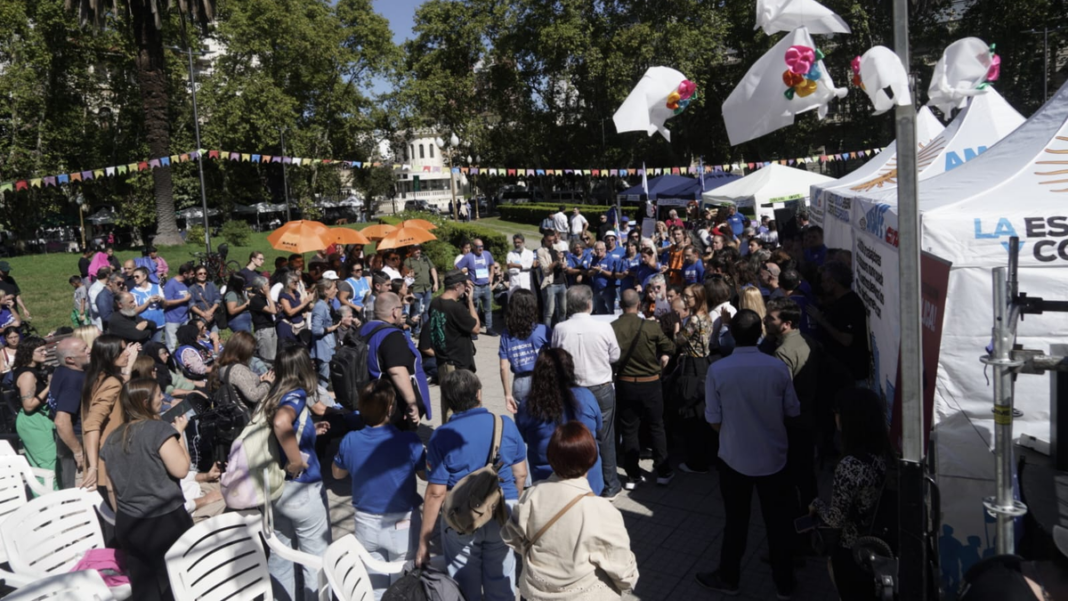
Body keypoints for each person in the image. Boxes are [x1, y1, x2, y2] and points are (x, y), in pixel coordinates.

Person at [699, 310, 800, 598]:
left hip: (734, 458)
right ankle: (785, 583)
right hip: (774, 457)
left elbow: (713, 418)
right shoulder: (777, 368)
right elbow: (792, 410)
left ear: (732, 335)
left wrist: (734, 435)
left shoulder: (718, 370)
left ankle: (729, 578)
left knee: (736, 522)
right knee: (777, 523)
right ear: (760, 334)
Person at [415, 369, 528, 601]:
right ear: (479, 394)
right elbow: (521, 474)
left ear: (447, 401)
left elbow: (436, 493)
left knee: (465, 584)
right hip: (502, 512)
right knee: (502, 579)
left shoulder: (442, 436)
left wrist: (424, 541)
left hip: (462, 517)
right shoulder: (505, 424)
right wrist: (506, 503)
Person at [502, 422, 637, 600]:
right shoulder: (602, 510)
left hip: (534, 594)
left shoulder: (533, 494)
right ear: (591, 458)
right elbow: (621, 568)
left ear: (551, 457)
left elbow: (510, 536)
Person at [99, 379, 193, 601]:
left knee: (144, 586)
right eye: (159, 395)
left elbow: (111, 489)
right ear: (145, 402)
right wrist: (180, 434)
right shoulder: (159, 429)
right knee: (177, 584)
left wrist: (123, 513)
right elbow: (181, 469)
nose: (163, 398)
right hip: (165, 522)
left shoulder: (112, 438)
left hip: (129, 523)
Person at [332, 380, 426, 599]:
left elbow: (337, 474)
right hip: (402, 523)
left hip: (366, 523)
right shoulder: (409, 441)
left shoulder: (350, 440)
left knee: (374, 586)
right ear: (390, 408)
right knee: (405, 584)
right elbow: (425, 475)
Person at [260, 344, 332, 601]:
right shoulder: (296, 394)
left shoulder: (272, 395)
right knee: (316, 560)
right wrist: (295, 462)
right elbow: (282, 422)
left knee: (281, 557)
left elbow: (284, 426)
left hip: (278, 491)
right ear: (302, 368)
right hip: (303, 489)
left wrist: (310, 428)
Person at [809, 388, 891, 600]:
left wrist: (816, 505)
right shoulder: (882, 451)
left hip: (852, 550)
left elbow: (836, 519)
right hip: (877, 542)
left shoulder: (850, 465)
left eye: (837, 412)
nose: (835, 417)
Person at [551, 285, 622, 499]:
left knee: (576, 437)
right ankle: (610, 484)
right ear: (589, 304)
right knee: (605, 437)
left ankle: (579, 483)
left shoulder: (560, 328)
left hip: (573, 389)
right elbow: (615, 355)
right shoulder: (603, 327)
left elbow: (556, 355)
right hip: (600, 387)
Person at [514, 348, 603, 493]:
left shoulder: (528, 405)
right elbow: (599, 427)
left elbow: (523, 437)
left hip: (546, 483)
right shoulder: (586, 397)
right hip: (588, 480)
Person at [612, 289, 675, 488]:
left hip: (625, 382)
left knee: (629, 428)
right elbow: (670, 347)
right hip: (651, 383)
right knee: (656, 426)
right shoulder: (650, 327)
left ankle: (632, 475)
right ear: (638, 304)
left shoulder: (612, 327)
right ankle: (663, 470)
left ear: (621, 306)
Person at [362, 292, 430, 428]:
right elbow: (397, 371)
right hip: (392, 402)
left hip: (372, 394)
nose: (403, 312)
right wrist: (412, 402)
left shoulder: (366, 328)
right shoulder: (392, 336)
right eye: (401, 308)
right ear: (394, 312)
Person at [81, 335, 138, 497]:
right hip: (108, 465)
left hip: (103, 463)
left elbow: (119, 384)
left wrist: (129, 366)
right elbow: (92, 423)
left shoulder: (94, 378)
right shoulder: (111, 383)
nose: (127, 353)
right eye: (122, 350)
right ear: (109, 354)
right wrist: (94, 467)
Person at [675, 284, 715, 474]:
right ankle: (706, 455)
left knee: (692, 410)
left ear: (697, 298)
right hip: (705, 364)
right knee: (703, 410)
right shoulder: (707, 317)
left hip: (692, 365)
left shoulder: (693, 319)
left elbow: (679, 340)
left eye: (688, 297)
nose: (685, 300)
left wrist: (677, 326)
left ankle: (696, 461)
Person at [809, 261, 870, 386]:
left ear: (833, 282)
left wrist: (821, 320)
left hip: (851, 375)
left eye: (825, 281)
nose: (822, 284)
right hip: (840, 373)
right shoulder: (838, 302)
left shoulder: (851, 304)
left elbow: (846, 339)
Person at [13, 337, 57, 487]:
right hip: (33, 421)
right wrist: (49, 387)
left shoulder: (34, 371)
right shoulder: (27, 375)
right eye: (41, 350)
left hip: (39, 418)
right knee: (47, 464)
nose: (45, 352)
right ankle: (52, 504)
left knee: (46, 465)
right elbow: (28, 405)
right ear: (29, 352)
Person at [498, 289, 550, 414]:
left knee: (523, 424)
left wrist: (507, 394)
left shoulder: (506, 334)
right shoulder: (543, 330)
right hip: (541, 379)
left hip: (519, 383)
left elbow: (503, 367)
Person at [52, 337, 91, 489]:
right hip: (76, 439)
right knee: (77, 489)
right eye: (84, 349)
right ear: (70, 359)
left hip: (67, 439)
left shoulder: (61, 370)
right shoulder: (73, 381)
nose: (89, 350)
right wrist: (78, 451)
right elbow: (61, 421)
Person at [427, 270, 480, 376]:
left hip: (442, 361)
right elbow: (476, 329)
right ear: (457, 286)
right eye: (465, 284)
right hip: (459, 365)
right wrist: (470, 301)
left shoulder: (435, 302)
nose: (466, 287)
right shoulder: (456, 308)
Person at [209, 331, 273, 410]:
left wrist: (259, 380)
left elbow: (240, 384)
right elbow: (254, 396)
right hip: (247, 413)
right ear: (244, 351)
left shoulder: (224, 365)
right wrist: (267, 383)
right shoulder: (238, 370)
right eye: (252, 350)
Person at [457, 238, 496, 336]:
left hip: (486, 286)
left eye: (482, 246)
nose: (481, 249)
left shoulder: (487, 254)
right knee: (474, 309)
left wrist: (491, 275)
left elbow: (492, 264)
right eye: (478, 247)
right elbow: (457, 268)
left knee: (488, 309)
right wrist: (465, 280)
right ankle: (474, 330)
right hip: (475, 287)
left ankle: (489, 328)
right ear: (474, 247)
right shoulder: (469, 257)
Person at [310, 279, 345, 386]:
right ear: (326, 291)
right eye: (334, 288)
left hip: (329, 347)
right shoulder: (320, 307)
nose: (337, 290)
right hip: (323, 350)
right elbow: (316, 329)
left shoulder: (327, 304)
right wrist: (332, 328)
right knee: (324, 380)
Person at [536, 233, 567, 327]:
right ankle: (547, 333)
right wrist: (557, 261)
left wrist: (563, 264)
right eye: (549, 241)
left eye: (553, 240)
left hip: (562, 283)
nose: (551, 242)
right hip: (550, 283)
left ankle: (561, 330)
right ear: (544, 239)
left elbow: (564, 265)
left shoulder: (557, 249)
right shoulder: (541, 251)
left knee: (563, 310)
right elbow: (545, 269)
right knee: (549, 311)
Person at [162, 262, 194, 351]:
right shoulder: (171, 284)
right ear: (185, 274)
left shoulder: (186, 283)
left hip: (184, 319)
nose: (193, 276)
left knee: (185, 343)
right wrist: (183, 300)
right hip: (172, 320)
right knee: (171, 345)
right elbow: (166, 302)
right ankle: (171, 363)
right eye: (191, 274)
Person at [404, 245, 438, 327]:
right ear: (411, 250)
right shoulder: (408, 261)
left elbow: (432, 269)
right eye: (415, 249)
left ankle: (426, 328)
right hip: (416, 289)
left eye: (419, 249)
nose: (418, 251)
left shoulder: (425, 258)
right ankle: (416, 329)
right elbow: (405, 275)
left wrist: (435, 282)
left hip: (427, 288)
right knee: (417, 309)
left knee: (426, 309)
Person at [277, 272, 313, 348]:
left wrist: (309, 302)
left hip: (298, 327)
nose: (297, 284)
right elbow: (289, 312)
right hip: (288, 328)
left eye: (298, 282)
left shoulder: (296, 293)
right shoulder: (283, 296)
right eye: (295, 282)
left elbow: (301, 308)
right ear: (288, 283)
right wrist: (304, 303)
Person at [130, 267, 165, 342]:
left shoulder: (156, 287)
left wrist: (160, 300)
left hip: (158, 322)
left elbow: (165, 305)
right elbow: (135, 310)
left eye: (137, 276)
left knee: (156, 346)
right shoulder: (133, 292)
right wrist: (148, 302)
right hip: (144, 324)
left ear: (144, 276)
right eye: (134, 277)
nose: (135, 278)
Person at [585, 241, 617, 315]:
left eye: (601, 249)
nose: (599, 251)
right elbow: (589, 273)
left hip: (608, 289)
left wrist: (601, 270)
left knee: (611, 311)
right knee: (600, 313)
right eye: (597, 249)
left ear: (605, 249)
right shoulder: (594, 259)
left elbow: (612, 275)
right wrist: (593, 271)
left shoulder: (610, 259)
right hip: (597, 290)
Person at [188, 266, 223, 334]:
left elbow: (218, 299)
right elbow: (192, 305)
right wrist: (203, 314)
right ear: (195, 275)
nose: (203, 275)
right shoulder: (192, 289)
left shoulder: (212, 285)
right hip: (200, 319)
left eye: (205, 273)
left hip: (213, 317)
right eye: (200, 273)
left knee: (214, 336)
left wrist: (211, 311)